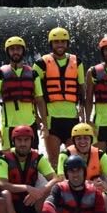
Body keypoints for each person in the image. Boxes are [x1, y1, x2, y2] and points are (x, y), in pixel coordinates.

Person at [0, 125, 59, 213]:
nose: (23, 144)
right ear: (13, 141)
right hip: (12, 204)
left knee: (54, 190)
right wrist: (26, 188)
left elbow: (56, 179)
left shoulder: (38, 158)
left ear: (31, 141)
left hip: (32, 202)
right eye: (19, 140)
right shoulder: (3, 158)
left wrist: (40, 191)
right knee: (5, 193)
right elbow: (2, 184)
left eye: (26, 140)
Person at [33, 27, 85, 168]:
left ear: (67, 43)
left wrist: (84, 117)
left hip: (72, 119)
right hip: (51, 120)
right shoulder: (40, 64)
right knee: (54, 163)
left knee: (74, 162)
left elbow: (82, 90)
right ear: (51, 44)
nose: (60, 45)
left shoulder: (77, 62)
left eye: (63, 41)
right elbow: (34, 93)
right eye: (56, 42)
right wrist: (37, 117)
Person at [0, 36, 47, 152]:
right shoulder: (0, 74)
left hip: (30, 124)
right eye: (12, 49)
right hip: (8, 126)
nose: (15, 52)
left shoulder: (33, 74)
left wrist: (45, 124)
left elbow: (40, 100)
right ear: (8, 52)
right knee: (9, 158)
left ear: (23, 51)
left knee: (33, 158)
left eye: (18, 49)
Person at [56, 123, 107, 190]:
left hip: (94, 193)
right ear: (74, 141)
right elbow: (61, 180)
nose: (82, 141)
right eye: (78, 138)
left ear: (91, 140)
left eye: (86, 138)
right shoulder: (65, 154)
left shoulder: (100, 155)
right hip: (72, 192)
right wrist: (88, 184)